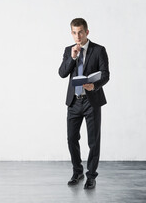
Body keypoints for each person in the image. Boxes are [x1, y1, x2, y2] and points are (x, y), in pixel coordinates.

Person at [58, 18, 109, 189]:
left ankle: (91, 176)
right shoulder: (68, 50)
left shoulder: (99, 50)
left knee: (93, 141)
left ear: (87, 32)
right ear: (71, 33)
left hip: (91, 101)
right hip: (74, 102)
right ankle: (77, 171)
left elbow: (105, 74)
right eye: (74, 32)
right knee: (72, 138)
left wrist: (94, 85)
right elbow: (62, 73)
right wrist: (72, 58)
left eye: (80, 32)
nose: (77, 36)